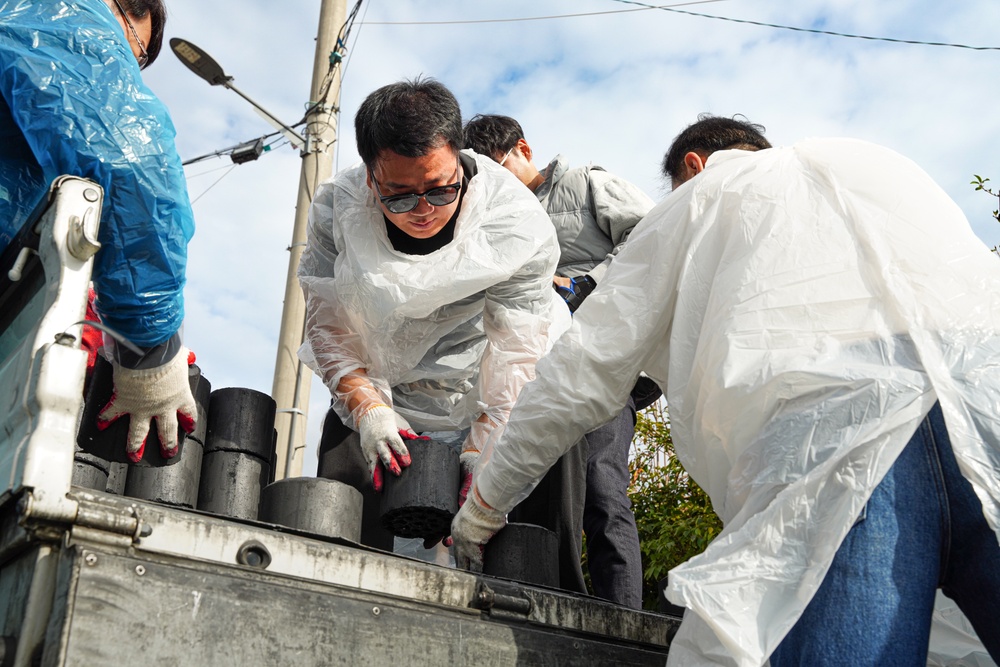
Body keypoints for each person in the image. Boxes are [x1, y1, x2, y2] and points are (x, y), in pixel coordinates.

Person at [450, 114, 1000, 667]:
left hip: (841, 454)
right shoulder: (876, 162)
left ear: (695, 165)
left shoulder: (698, 198)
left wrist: (484, 505)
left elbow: (576, 376)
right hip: (982, 413)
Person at [297, 78, 570, 564]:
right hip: (380, 390)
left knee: (488, 557)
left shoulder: (514, 224)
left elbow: (517, 354)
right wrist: (367, 408)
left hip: (473, 393)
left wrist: (484, 449)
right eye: (399, 196)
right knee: (346, 536)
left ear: (460, 161)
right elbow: (328, 324)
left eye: (440, 191)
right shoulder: (336, 210)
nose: (422, 210)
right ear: (369, 177)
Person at [463, 113, 654, 608]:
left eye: (500, 170)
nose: (495, 185)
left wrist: (583, 284)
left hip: (603, 362)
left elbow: (652, 236)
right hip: (536, 373)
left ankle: (624, 619)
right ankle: (550, 600)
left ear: (524, 150)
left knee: (601, 487)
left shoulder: (585, 184)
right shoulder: (495, 218)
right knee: (530, 490)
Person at [0, 0, 197, 463]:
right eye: (133, 51)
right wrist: (149, 346)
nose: (126, 70)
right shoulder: (60, 11)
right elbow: (126, 162)